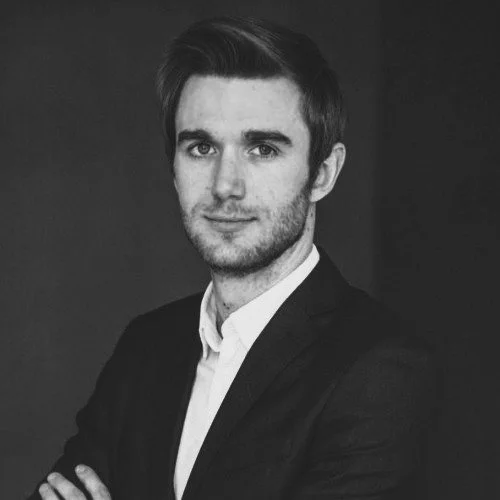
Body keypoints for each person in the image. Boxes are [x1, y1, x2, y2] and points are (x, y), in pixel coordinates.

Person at [30, 16, 436, 500]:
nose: (225, 185)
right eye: (201, 147)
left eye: (262, 149)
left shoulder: (379, 368)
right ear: (174, 168)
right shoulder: (146, 347)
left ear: (323, 173)